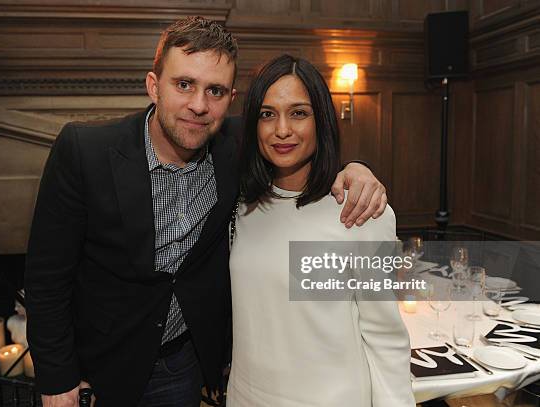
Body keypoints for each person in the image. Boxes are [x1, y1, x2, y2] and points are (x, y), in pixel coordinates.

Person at [24, 17, 388, 407]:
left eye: (214, 91)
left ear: (230, 98)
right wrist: (57, 377)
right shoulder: (85, 151)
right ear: (153, 86)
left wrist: (355, 169)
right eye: (184, 85)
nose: (199, 105)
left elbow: (297, 142)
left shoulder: (235, 147)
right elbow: (46, 279)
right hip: (99, 368)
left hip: (183, 365)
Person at [227, 54, 415, 406]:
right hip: (247, 397)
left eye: (299, 113)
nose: (282, 129)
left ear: (322, 121)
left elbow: (385, 338)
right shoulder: (243, 206)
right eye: (268, 114)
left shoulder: (361, 212)